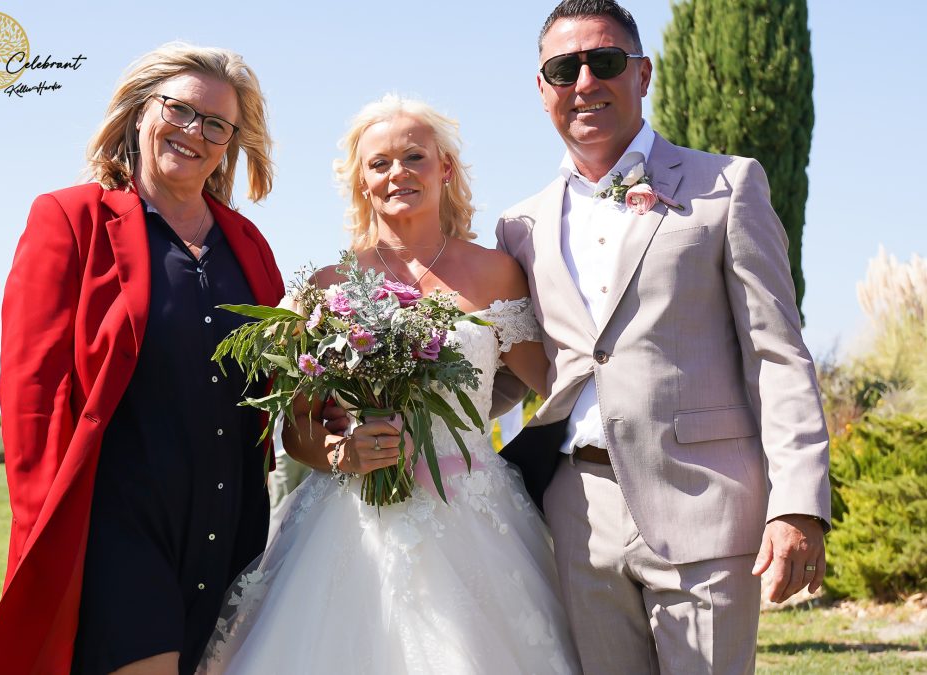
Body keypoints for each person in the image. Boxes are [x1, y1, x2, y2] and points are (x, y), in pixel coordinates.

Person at [496, 2, 831, 672]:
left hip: (706, 503)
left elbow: (779, 354)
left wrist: (798, 503)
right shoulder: (519, 226)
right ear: (542, 91)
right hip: (576, 513)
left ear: (642, 73)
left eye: (606, 61)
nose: (585, 81)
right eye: (564, 68)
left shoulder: (729, 186)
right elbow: (511, 366)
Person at [198, 94, 580, 674]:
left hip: (477, 517)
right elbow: (296, 427)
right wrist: (340, 450)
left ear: (444, 168)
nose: (397, 172)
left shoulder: (497, 273)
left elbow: (559, 386)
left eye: (414, 156)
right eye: (379, 163)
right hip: (350, 529)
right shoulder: (326, 286)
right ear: (361, 180)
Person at [0, 43, 284, 675]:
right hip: (117, 517)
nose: (196, 133)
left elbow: (280, 380)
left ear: (231, 144)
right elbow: (33, 390)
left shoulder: (249, 243)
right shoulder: (70, 217)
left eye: (217, 125)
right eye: (181, 110)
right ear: (141, 109)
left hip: (232, 517)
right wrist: (44, 535)